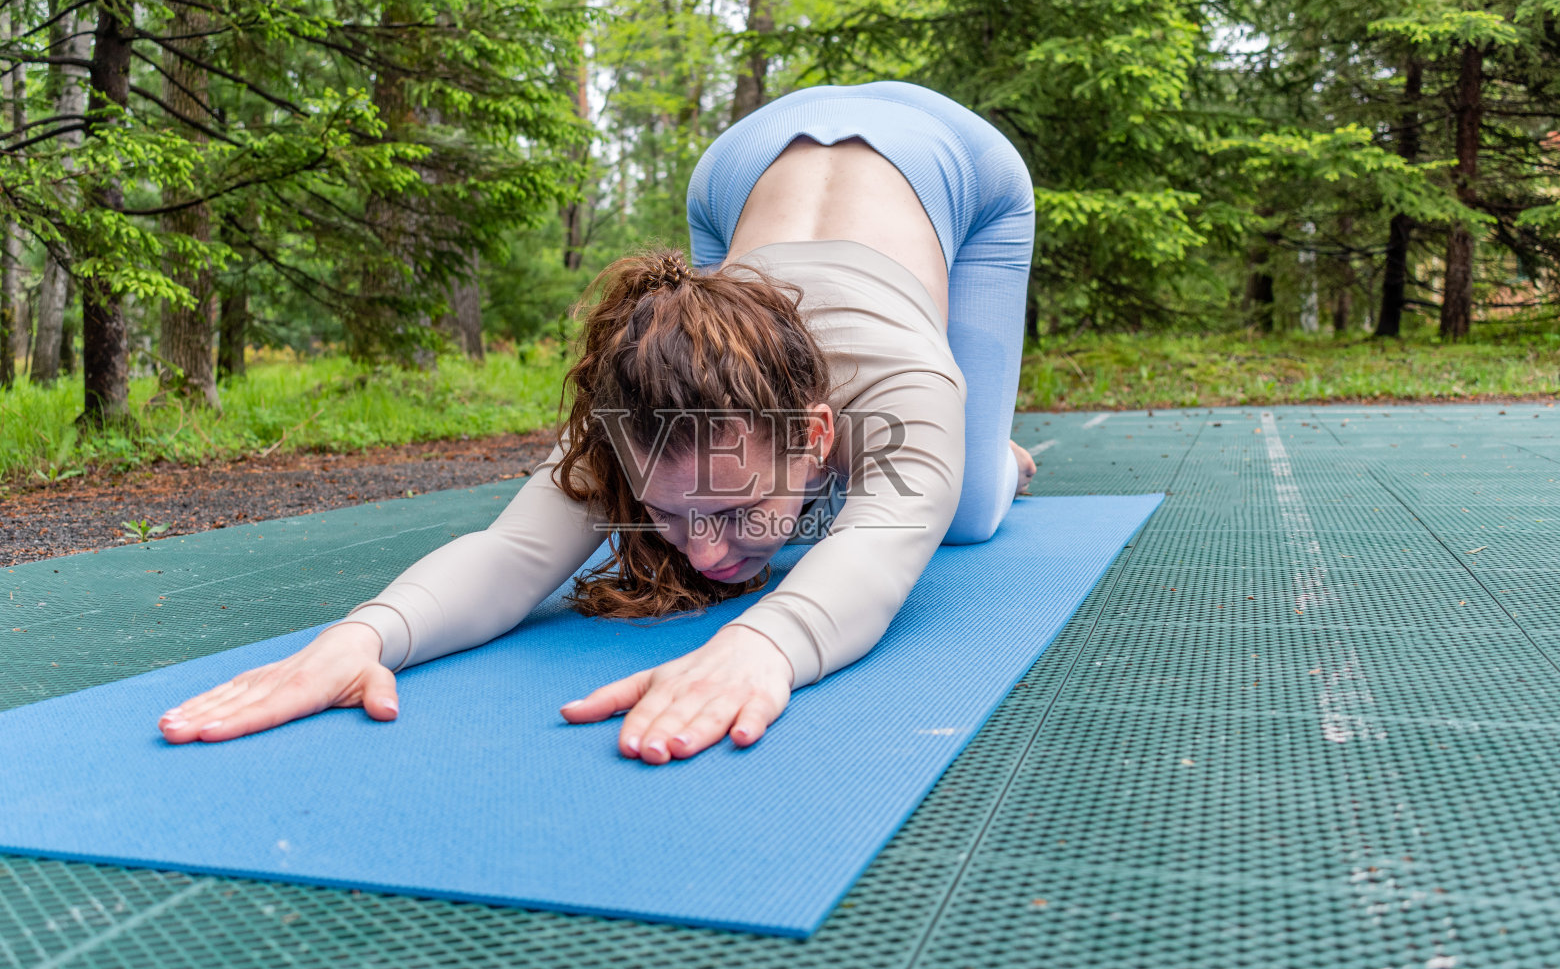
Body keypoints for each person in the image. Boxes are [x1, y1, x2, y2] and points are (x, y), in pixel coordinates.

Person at [157, 81, 1037, 765]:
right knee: (706, 424)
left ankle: (986, 453)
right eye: (673, 517)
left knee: (952, 513)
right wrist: (360, 633)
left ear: (816, 432)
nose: (701, 554)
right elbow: (511, 555)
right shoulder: (643, 418)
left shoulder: (907, 388)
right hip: (742, 165)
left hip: (954, 160)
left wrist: (766, 642)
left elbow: (881, 543)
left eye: (731, 515)